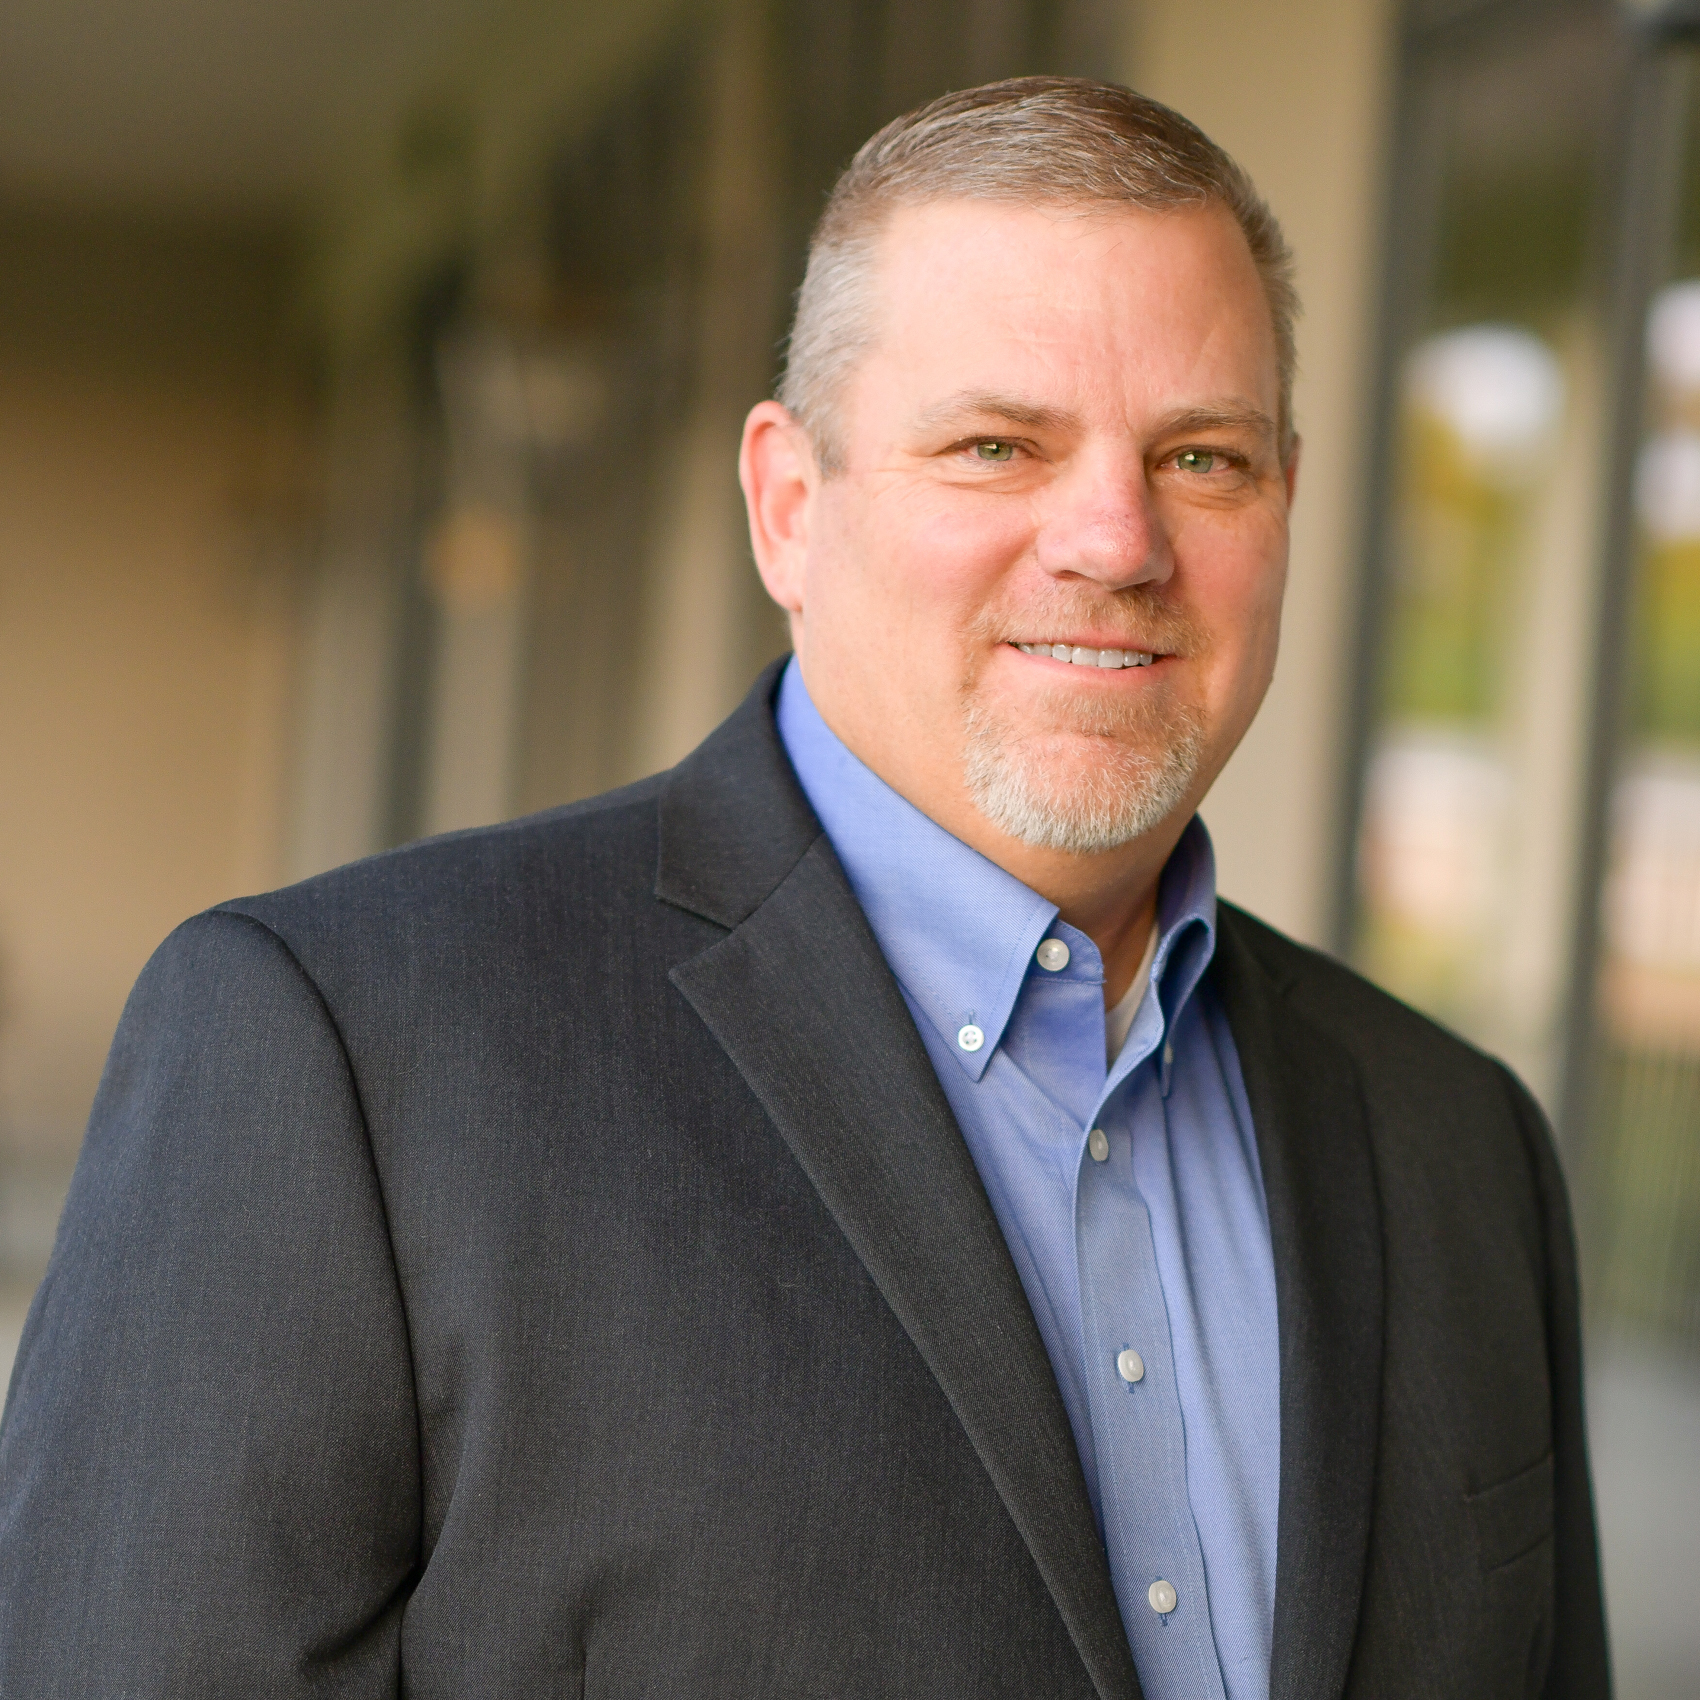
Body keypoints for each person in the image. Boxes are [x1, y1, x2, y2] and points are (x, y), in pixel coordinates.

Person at [0, 77, 1607, 1700]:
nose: (1117, 541)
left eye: (1202, 457)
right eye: (997, 446)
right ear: (789, 505)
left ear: (1284, 504)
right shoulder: (345, 1056)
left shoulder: (1459, 1148)